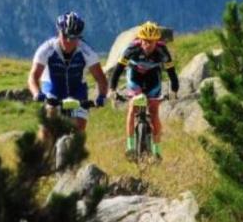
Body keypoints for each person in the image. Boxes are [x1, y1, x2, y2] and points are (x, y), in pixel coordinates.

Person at [28, 11, 108, 141]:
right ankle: (41, 156)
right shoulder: (46, 49)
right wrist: (37, 93)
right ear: (58, 32)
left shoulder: (87, 51)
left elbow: (100, 78)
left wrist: (102, 96)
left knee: (79, 129)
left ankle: (72, 157)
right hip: (52, 88)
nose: (68, 41)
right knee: (47, 124)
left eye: (73, 37)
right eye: (65, 36)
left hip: (77, 90)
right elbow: (33, 76)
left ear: (79, 37)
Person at [108, 21, 178, 158]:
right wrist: (112, 89)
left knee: (154, 112)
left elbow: (171, 72)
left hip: (153, 77)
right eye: (144, 41)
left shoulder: (162, 51)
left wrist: (174, 90)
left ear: (156, 41)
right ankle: (130, 146)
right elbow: (118, 70)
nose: (147, 44)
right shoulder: (132, 49)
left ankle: (157, 150)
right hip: (135, 76)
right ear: (140, 39)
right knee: (133, 107)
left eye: (150, 42)